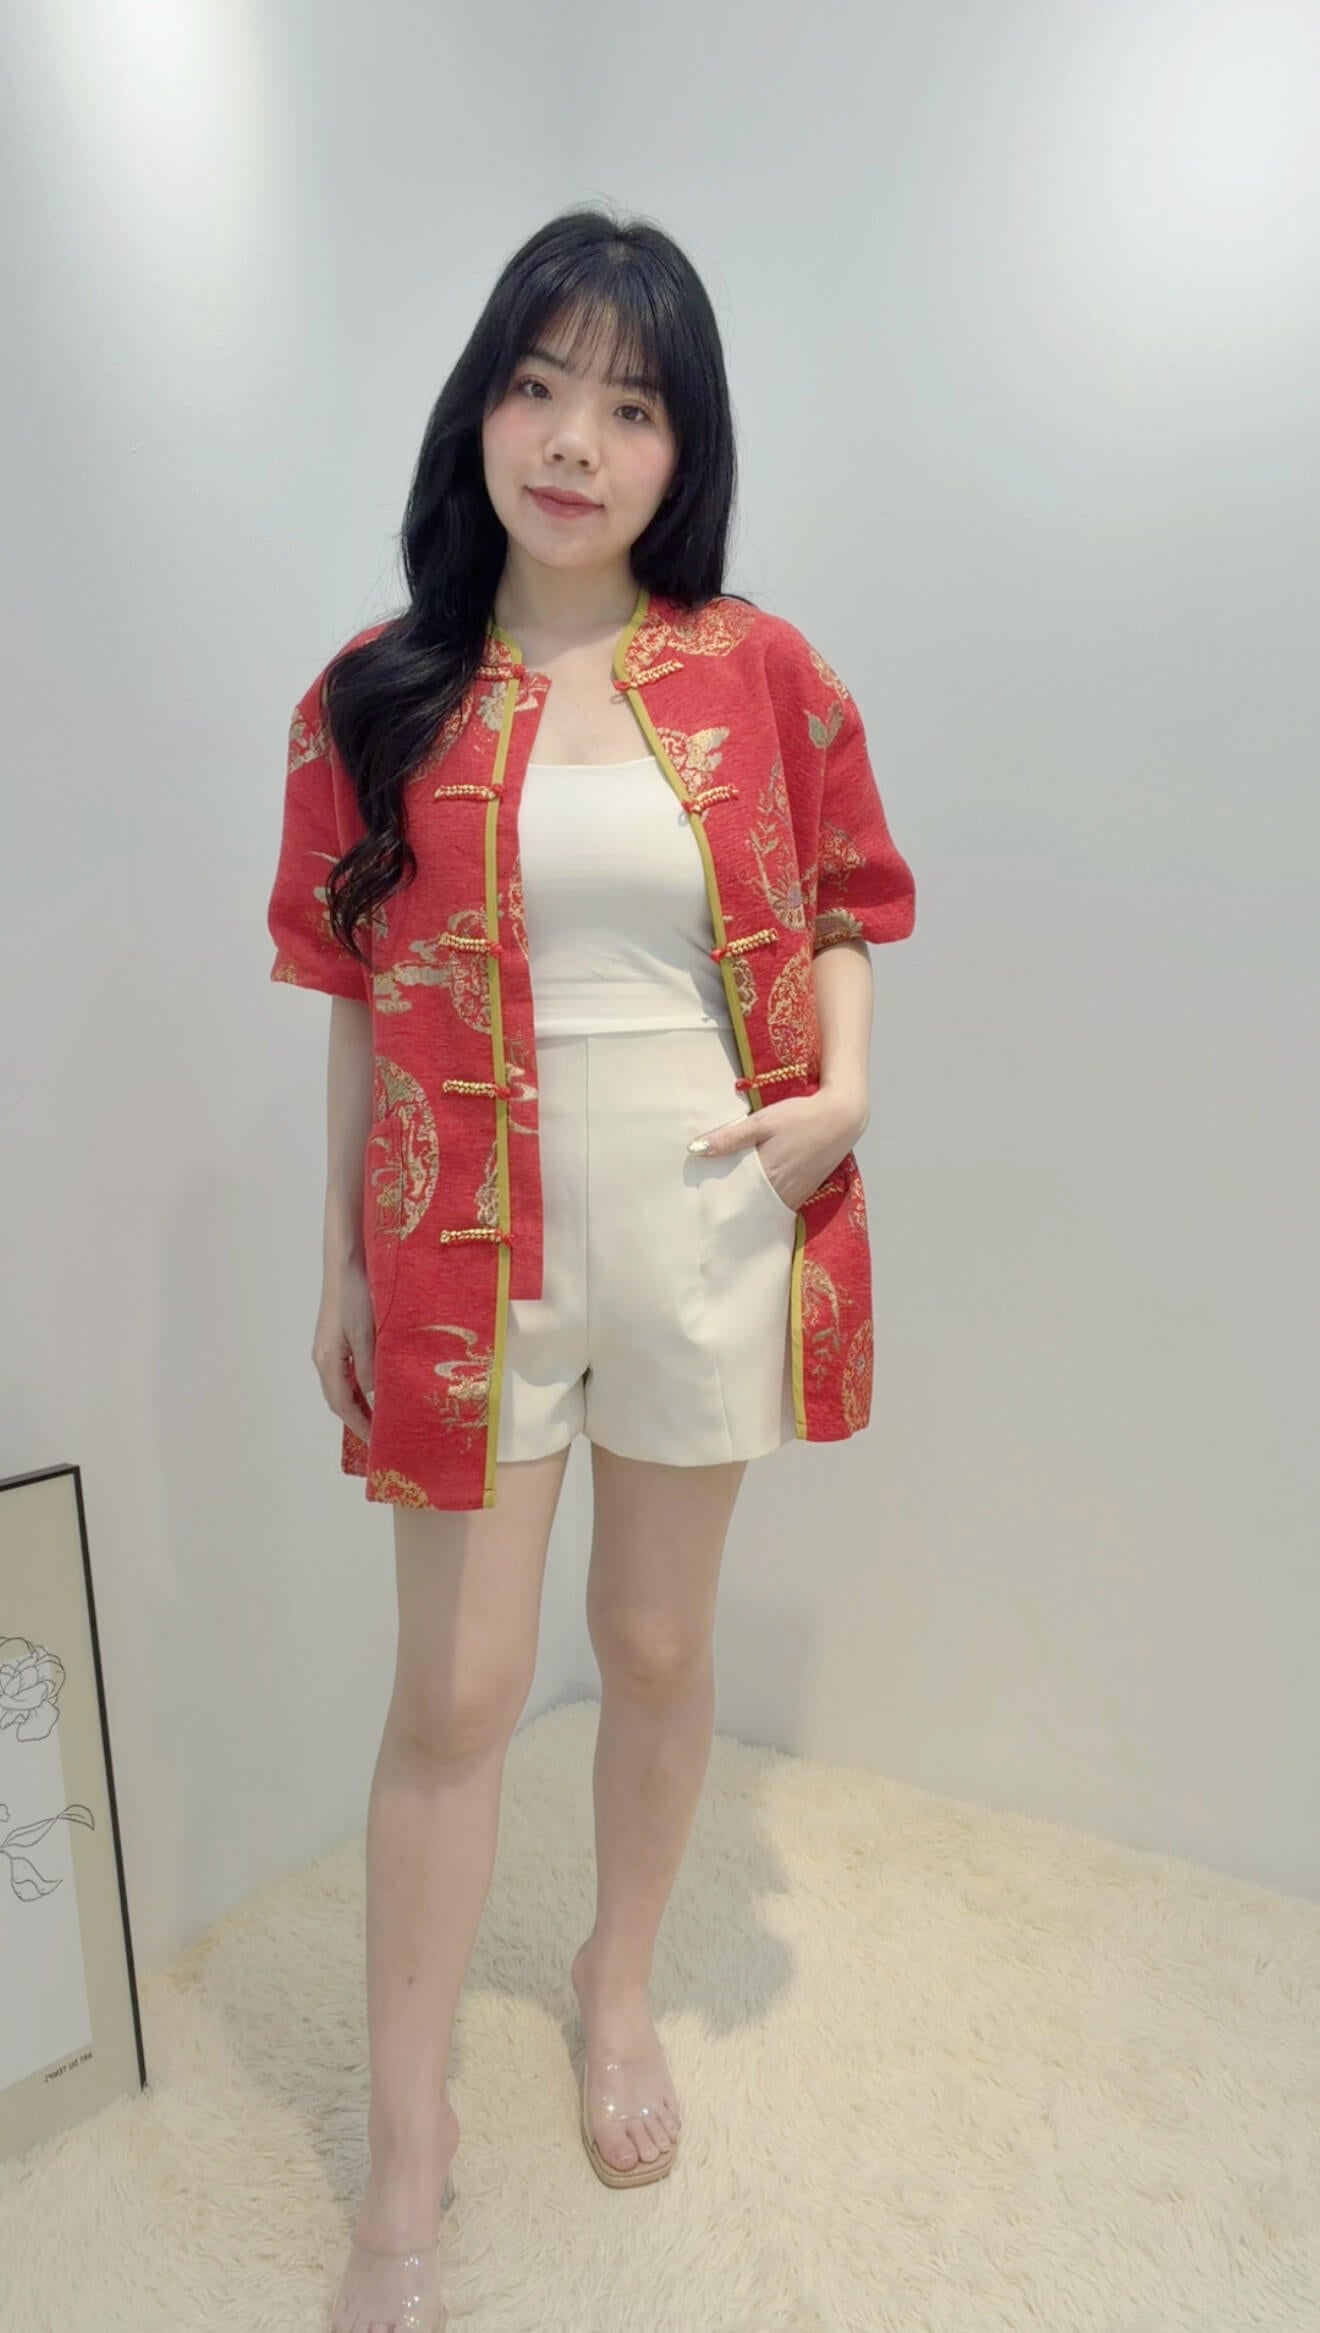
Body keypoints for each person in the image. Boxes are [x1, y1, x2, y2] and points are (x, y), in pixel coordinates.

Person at [266, 204, 915, 2333]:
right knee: (454, 1695)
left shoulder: (760, 668)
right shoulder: (375, 697)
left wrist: (842, 1094)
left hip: (704, 1223)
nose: (572, 441)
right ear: (479, 408)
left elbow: (846, 899)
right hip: (463, 1247)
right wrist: (337, 1263)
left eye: (629, 407)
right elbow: (352, 1000)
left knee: (650, 1642)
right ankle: (406, 2154)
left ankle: (615, 1984)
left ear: (682, 447)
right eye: (537, 388)